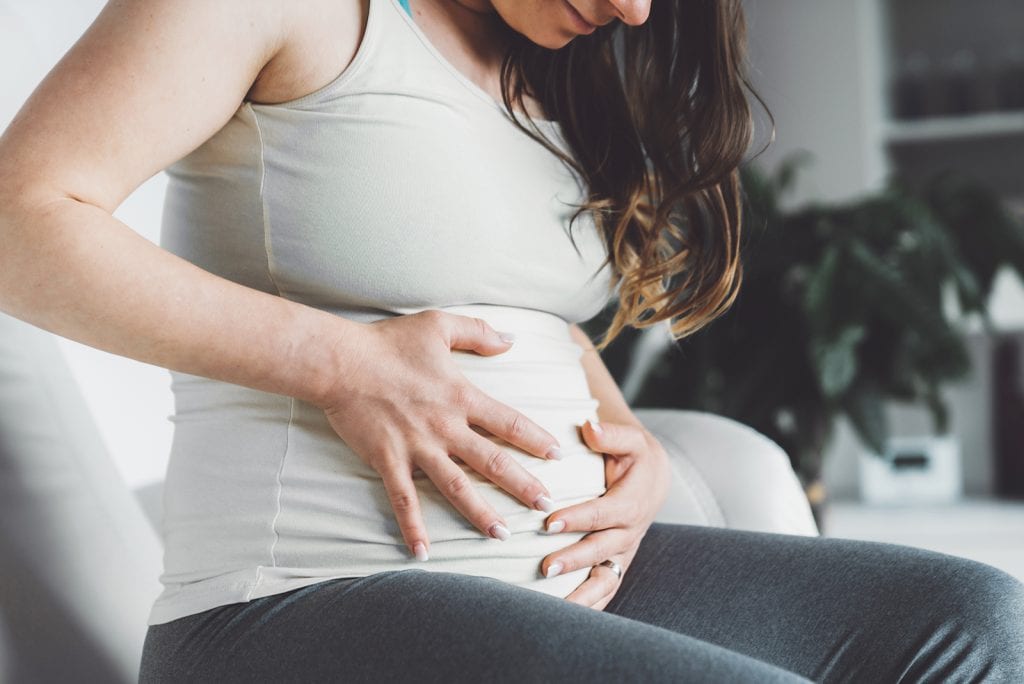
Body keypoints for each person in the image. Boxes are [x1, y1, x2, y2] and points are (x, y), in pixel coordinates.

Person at [0, 0, 1021, 681]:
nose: (632, 9)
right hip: (290, 606)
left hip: (570, 583)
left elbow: (525, 319)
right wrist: (336, 363)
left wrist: (629, 443)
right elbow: (21, 221)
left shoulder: (552, 72)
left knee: (970, 620)